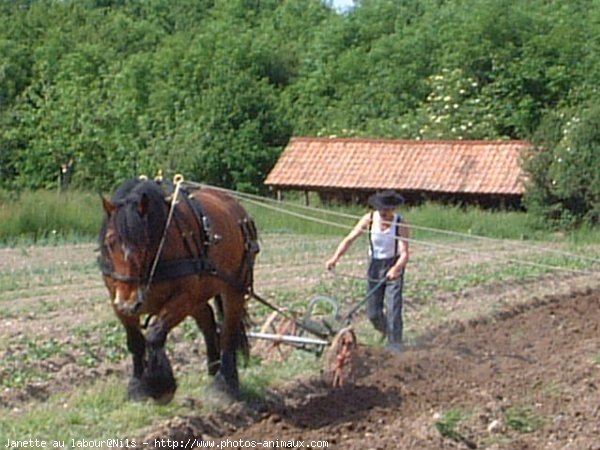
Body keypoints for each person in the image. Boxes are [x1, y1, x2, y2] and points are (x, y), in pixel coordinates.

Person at [325, 190, 410, 352]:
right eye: (381, 209)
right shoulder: (369, 219)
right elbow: (350, 239)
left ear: (393, 209)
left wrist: (396, 268)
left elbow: (405, 254)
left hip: (394, 266)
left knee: (393, 308)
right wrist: (335, 258)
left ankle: (395, 345)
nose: (384, 212)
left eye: (387, 209)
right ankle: (386, 330)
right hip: (374, 266)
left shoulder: (400, 224)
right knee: (373, 312)